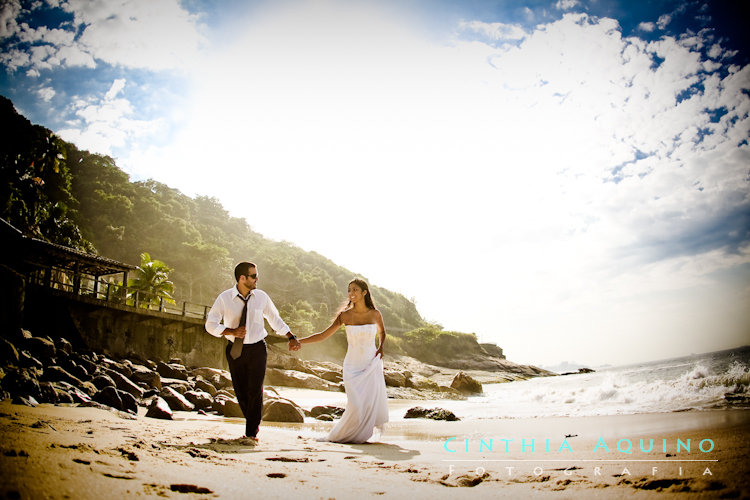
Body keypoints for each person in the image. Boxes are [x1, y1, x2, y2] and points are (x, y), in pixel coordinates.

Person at [205, 261, 300, 441]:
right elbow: (210, 325)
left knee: (255, 389)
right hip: (235, 350)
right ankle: (252, 422)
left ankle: (251, 432)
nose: (257, 279)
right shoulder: (224, 298)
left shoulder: (262, 297)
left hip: (257, 348)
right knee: (241, 390)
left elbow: (275, 319)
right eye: (254, 276)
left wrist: (290, 336)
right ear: (242, 278)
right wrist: (231, 331)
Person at [298, 278, 388, 443]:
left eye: (355, 290)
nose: (351, 293)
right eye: (349, 290)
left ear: (364, 293)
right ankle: (345, 435)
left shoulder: (375, 314)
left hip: (370, 364)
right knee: (356, 403)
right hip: (352, 366)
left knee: (367, 403)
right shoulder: (345, 316)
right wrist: (299, 341)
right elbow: (323, 335)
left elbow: (382, 332)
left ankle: (361, 435)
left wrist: (381, 347)